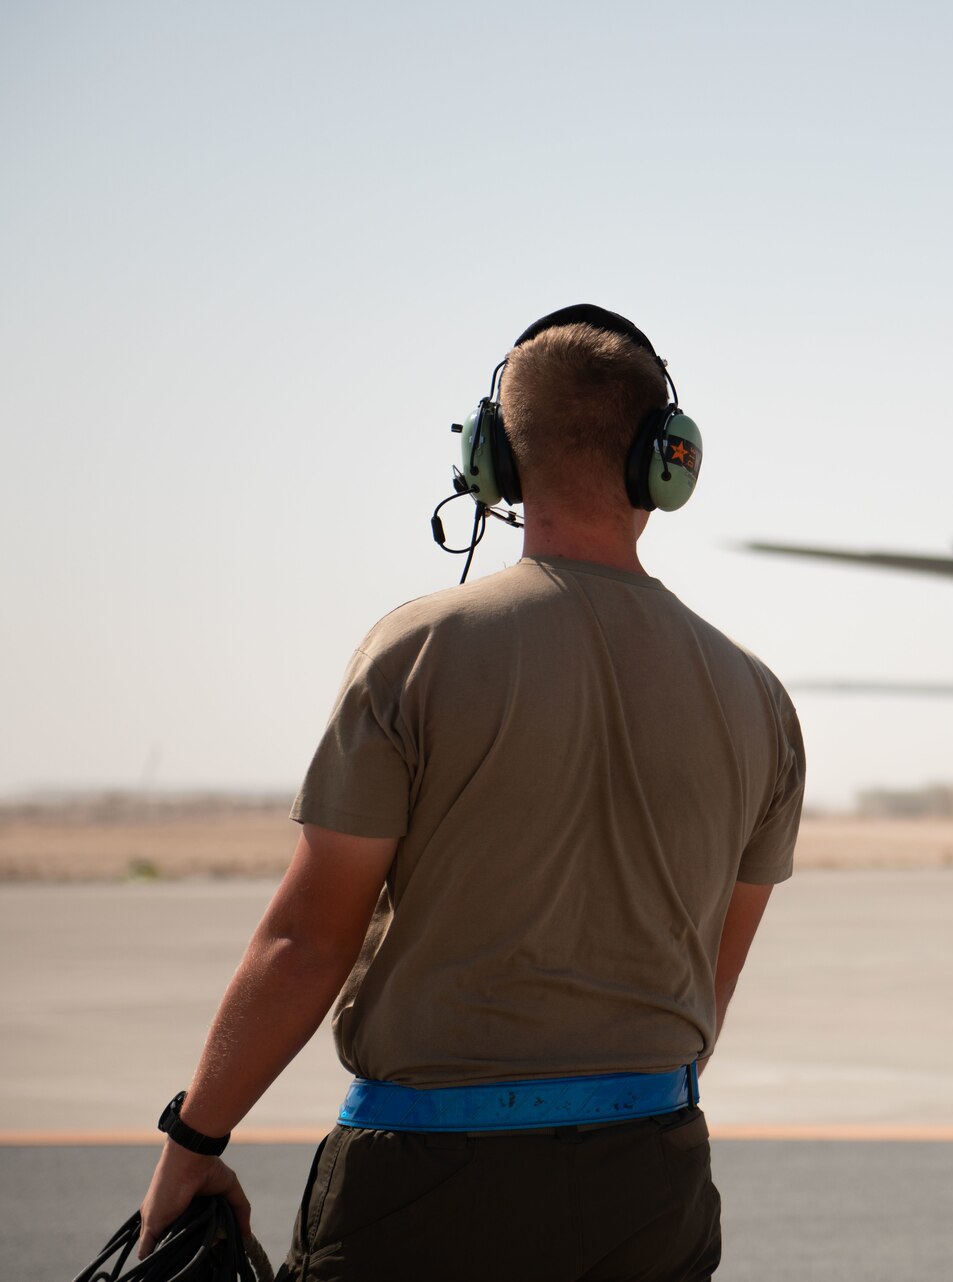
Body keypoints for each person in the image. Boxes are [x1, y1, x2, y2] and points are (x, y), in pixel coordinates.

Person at [135, 305, 805, 1281]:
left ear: (489, 460)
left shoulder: (417, 652)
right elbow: (711, 978)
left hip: (424, 1188)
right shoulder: (758, 697)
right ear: (667, 465)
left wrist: (191, 1140)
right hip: (652, 1182)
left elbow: (305, 941)